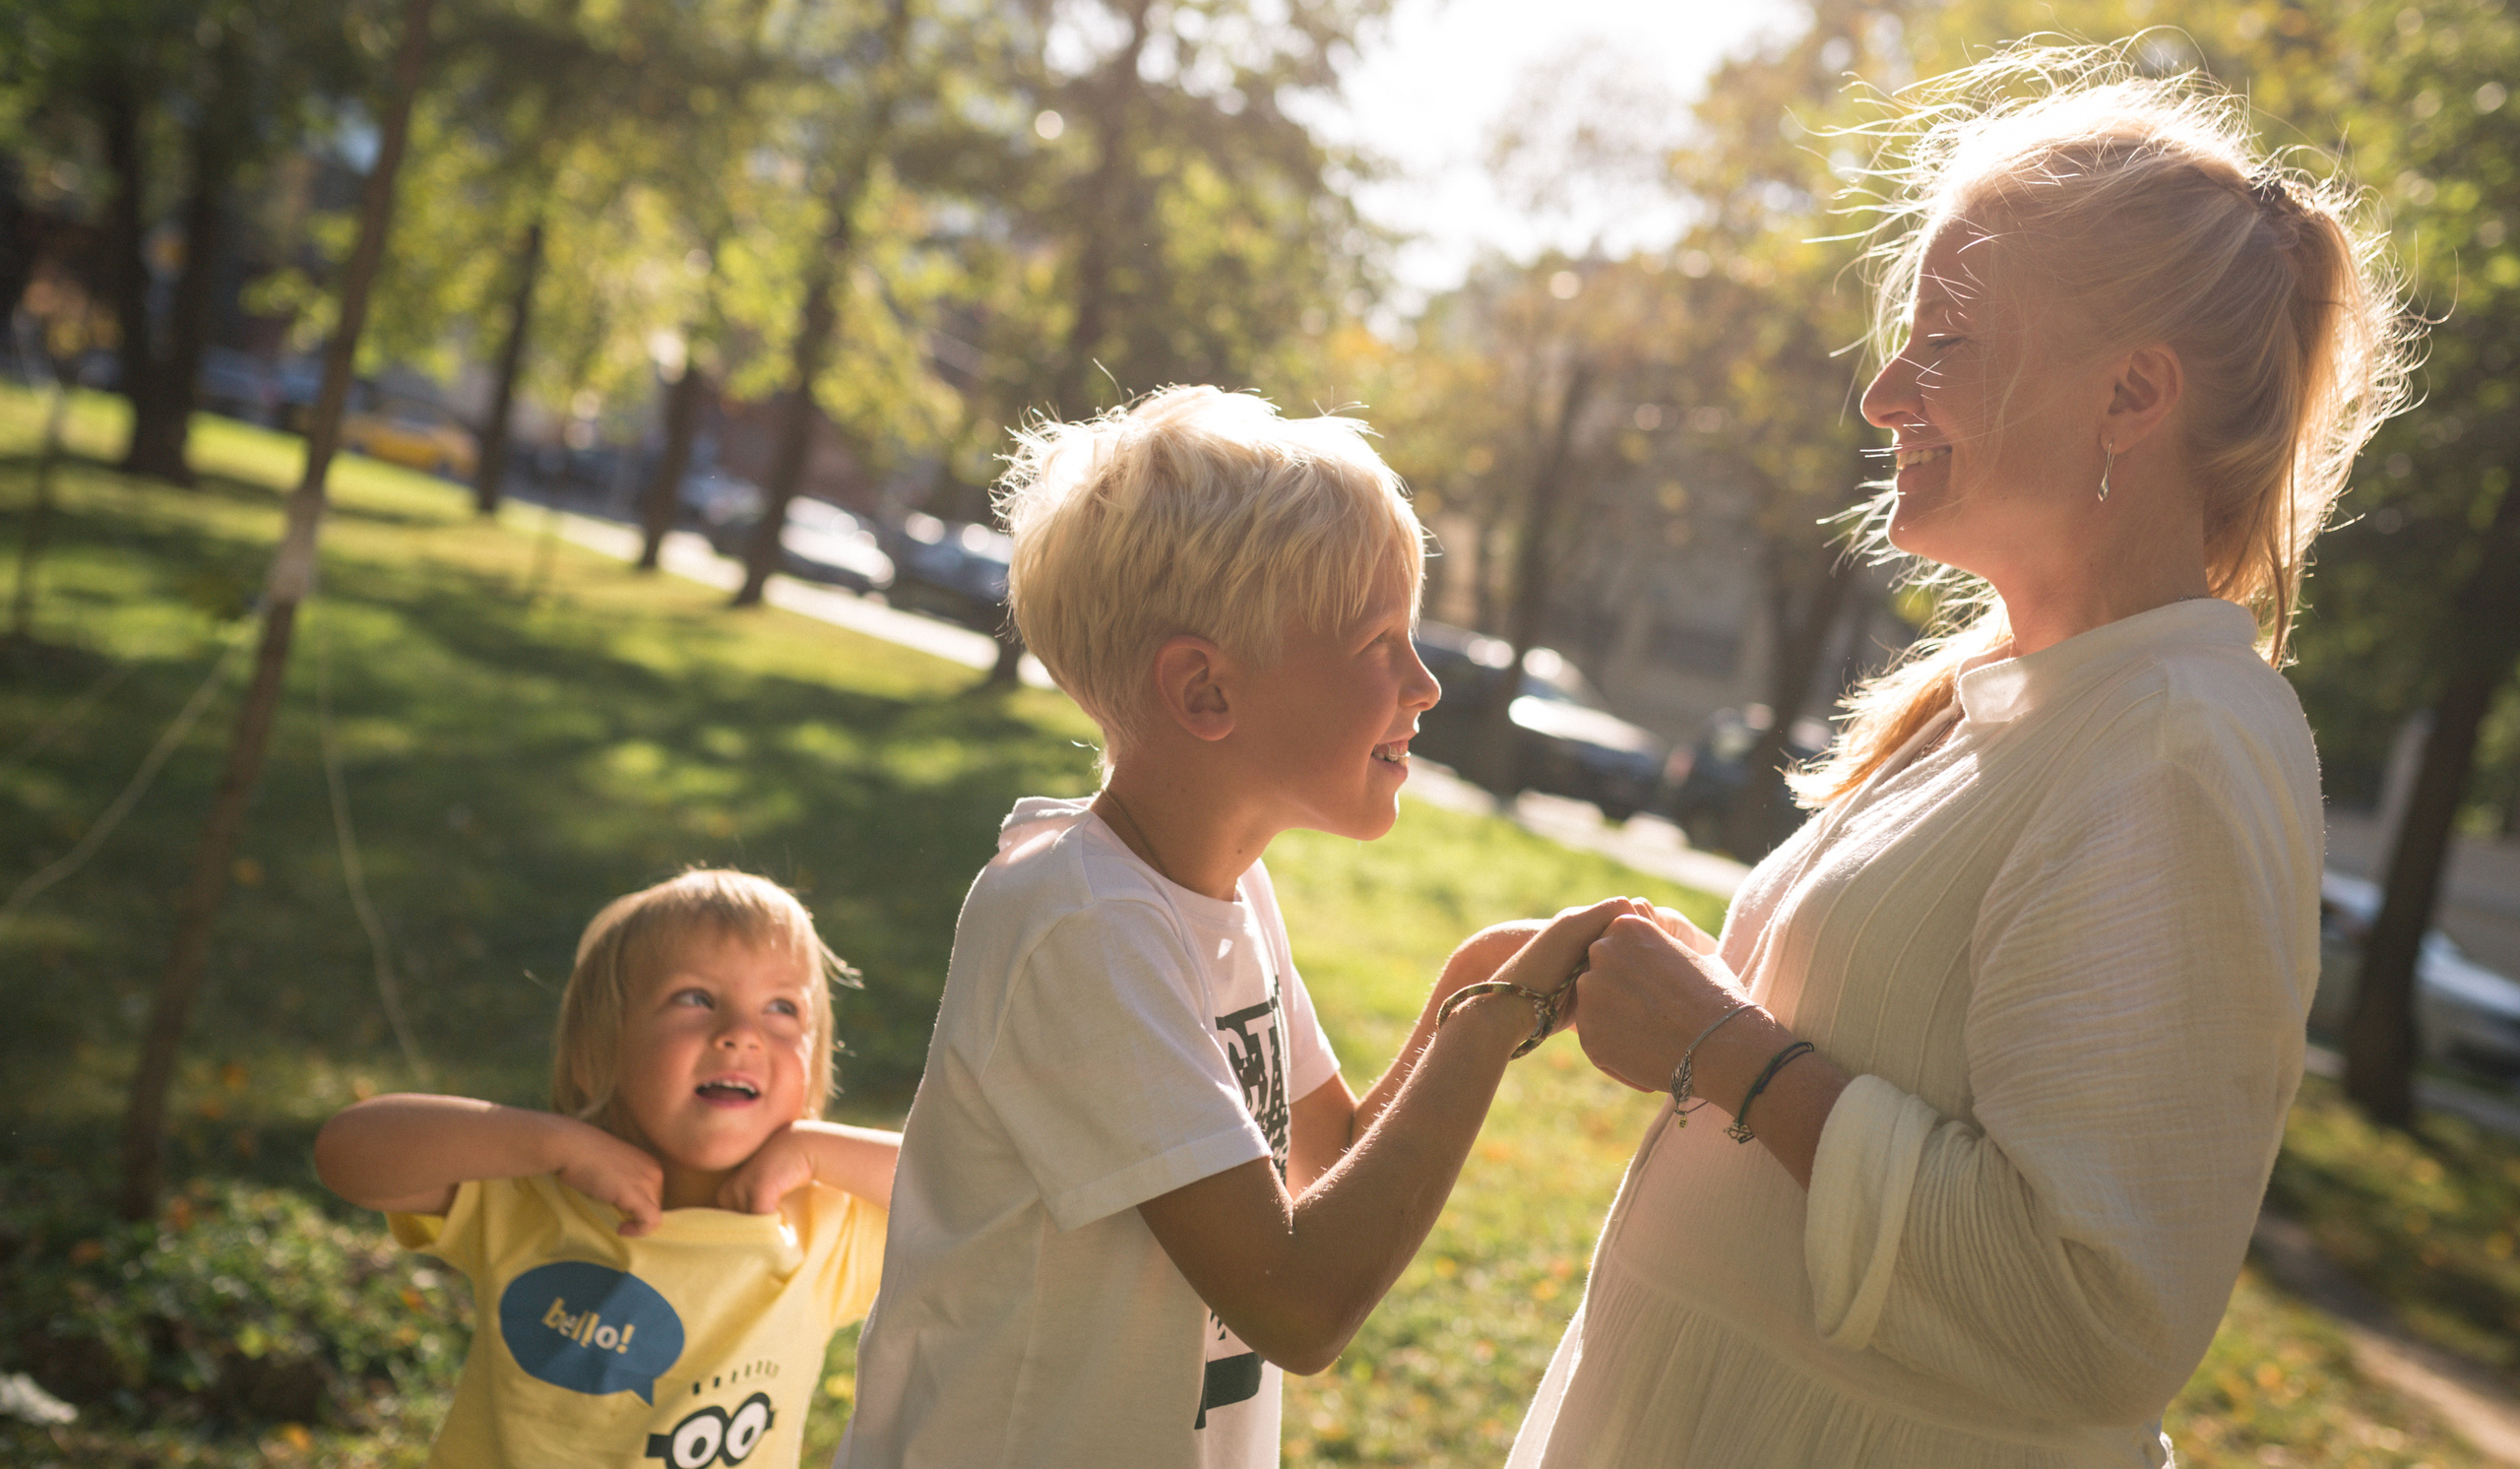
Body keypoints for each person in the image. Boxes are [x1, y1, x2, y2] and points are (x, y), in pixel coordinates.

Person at [1508, 51, 2413, 1468]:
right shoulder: (2019, 696)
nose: (1883, 398)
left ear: (2129, 396)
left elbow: (2094, 1308)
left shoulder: (2172, 745)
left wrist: (1719, 1048)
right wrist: (1714, 1003)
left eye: (1944, 345)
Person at [837, 386, 1626, 1469]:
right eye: (1380, 641)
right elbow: (1297, 1301)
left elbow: (1329, 1160)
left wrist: (1466, 991)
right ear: (1206, 687)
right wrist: (1491, 1024)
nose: (1425, 684)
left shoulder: (1221, 892)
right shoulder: (1082, 923)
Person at [316, 869, 899, 1469]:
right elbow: (345, 1152)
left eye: (782, 1008)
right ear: (597, 1058)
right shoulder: (531, 1191)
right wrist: (550, 1143)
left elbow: (981, 1199)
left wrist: (818, 1148)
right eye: (695, 999)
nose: (740, 1035)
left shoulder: (825, 1226)